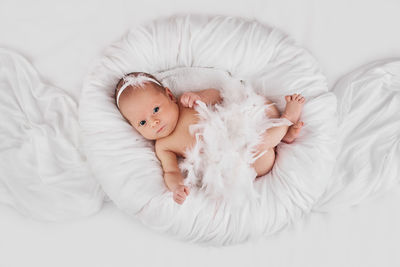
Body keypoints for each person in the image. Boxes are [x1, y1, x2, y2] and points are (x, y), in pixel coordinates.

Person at [114, 72, 305, 205]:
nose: (154, 122)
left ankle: (282, 129)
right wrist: (176, 187)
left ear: (169, 96)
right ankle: (287, 122)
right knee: (259, 148)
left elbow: (217, 95)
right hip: (235, 160)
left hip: (238, 126)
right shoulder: (163, 146)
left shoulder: (186, 103)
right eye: (142, 123)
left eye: (156, 110)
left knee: (261, 106)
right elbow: (170, 172)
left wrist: (200, 96)